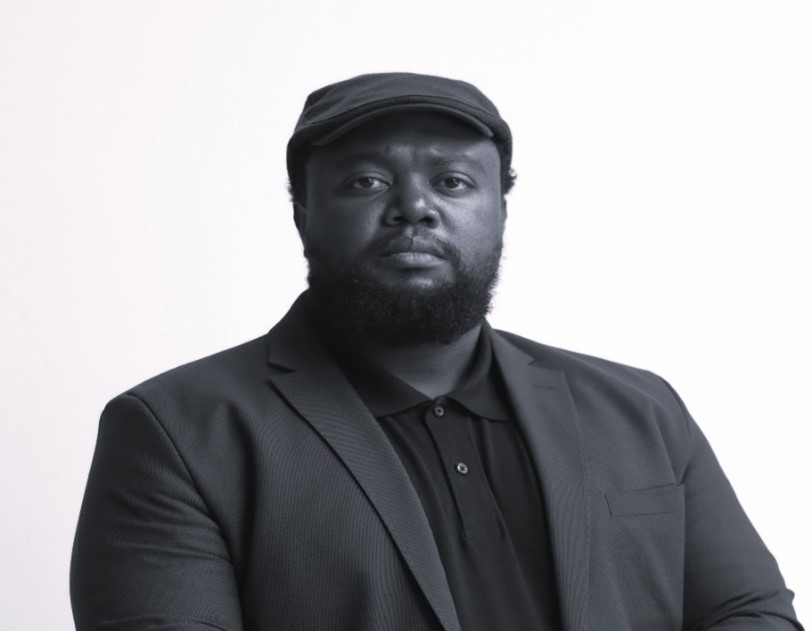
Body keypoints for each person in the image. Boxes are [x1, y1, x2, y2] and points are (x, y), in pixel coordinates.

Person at [70, 72, 803, 631]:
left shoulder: (640, 407)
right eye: (366, 181)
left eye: (452, 181)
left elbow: (749, 613)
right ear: (302, 213)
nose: (414, 207)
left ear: (501, 209)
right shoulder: (178, 430)